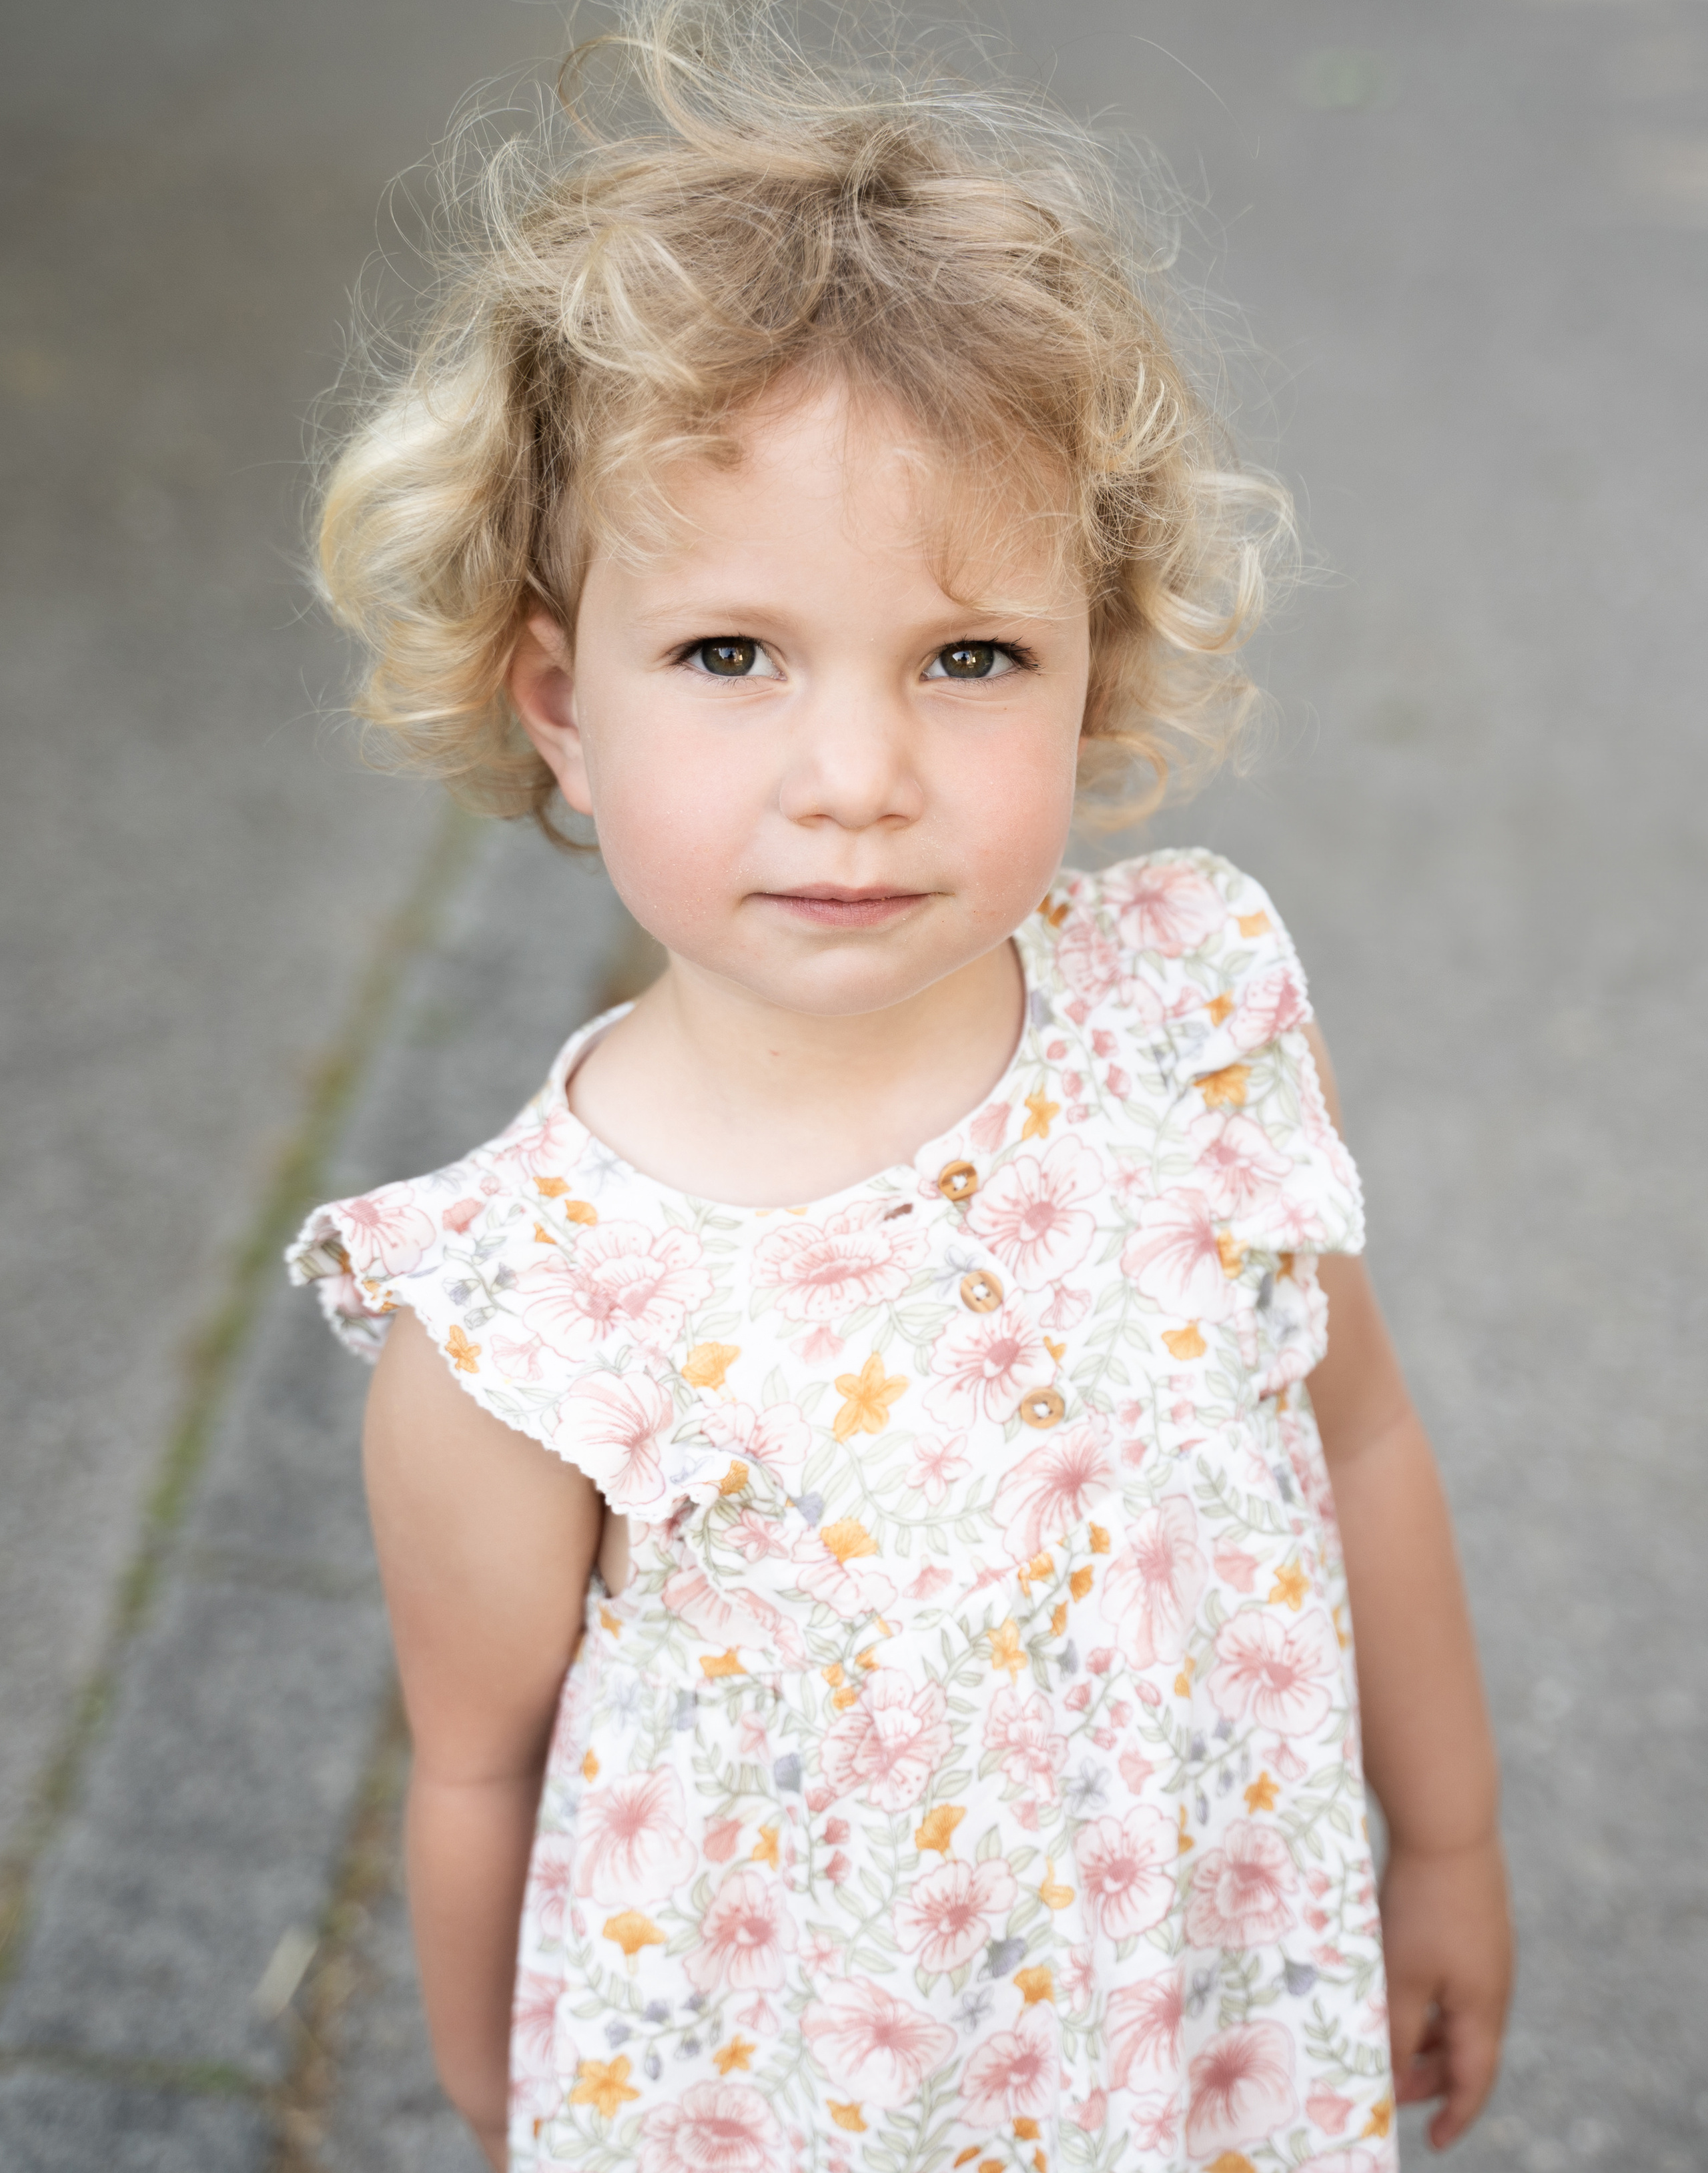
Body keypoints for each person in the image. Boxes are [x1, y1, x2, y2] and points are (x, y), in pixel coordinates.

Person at [288, 6, 1512, 2166]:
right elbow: (479, 1769)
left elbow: (1365, 1428)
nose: (854, 778)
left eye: (969, 659)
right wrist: (514, 2108)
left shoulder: (1193, 1023)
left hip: (1210, 2035)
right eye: (732, 654)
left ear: (1094, 665)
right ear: (562, 699)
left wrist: (1447, 1842)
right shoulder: (526, 1320)